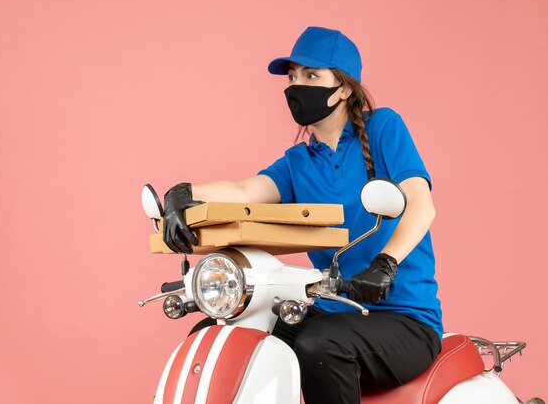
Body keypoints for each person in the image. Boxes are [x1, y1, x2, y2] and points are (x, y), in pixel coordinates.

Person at [161, 26, 443, 404]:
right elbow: (246, 190)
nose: (297, 86)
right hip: (331, 309)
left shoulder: (382, 128)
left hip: (405, 318)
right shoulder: (299, 161)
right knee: (220, 332)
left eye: (312, 76)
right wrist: (183, 193)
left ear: (344, 88)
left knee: (319, 343)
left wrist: (385, 264)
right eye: (293, 77)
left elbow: (421, 204)